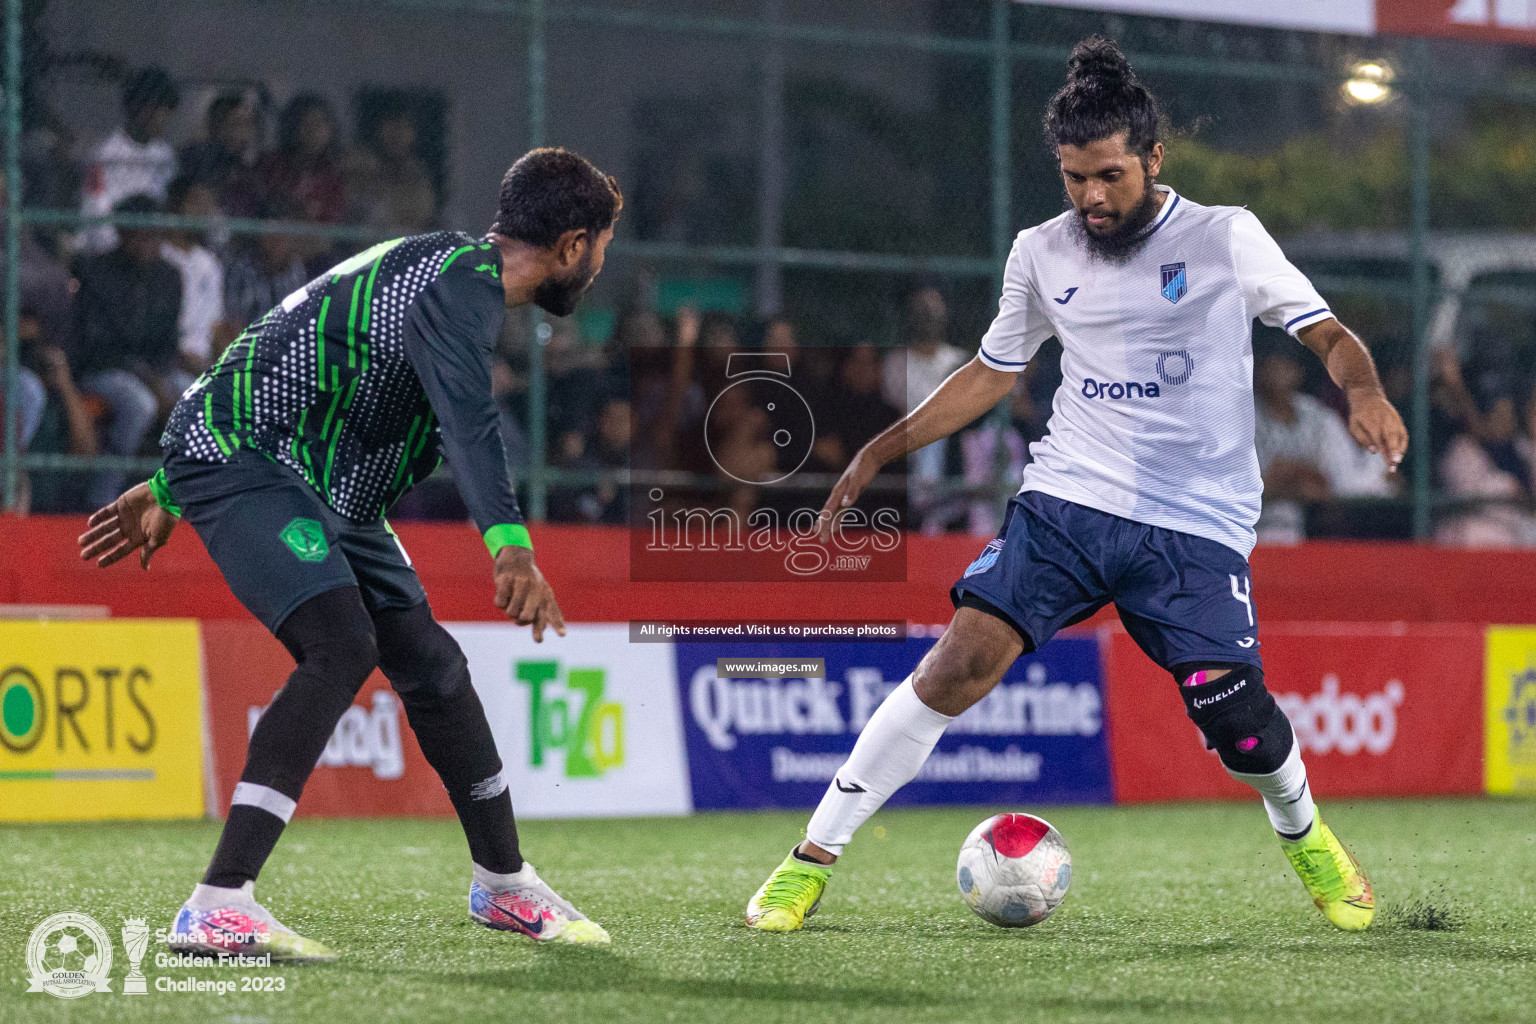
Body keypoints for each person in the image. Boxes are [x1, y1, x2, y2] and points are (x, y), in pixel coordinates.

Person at [745, 38, 1406, 936]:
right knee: (956, 665)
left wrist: (1362, 388)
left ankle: (1305, 832)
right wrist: (880, 450)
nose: (1092, 198)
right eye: (1073, 179)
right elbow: (990, 371)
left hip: (1195, 526)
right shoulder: (1040, 252)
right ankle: (809, 860)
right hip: (1069, 503)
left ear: (1154, 158)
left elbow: (1326, 333)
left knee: (1240, 726)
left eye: (1109, 176)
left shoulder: (1224, 236)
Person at [79, 147, 623, 956]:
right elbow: (467, 416)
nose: (603, 264)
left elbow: (294, 341)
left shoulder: (441, 268)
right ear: (573, 245)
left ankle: (505, 887)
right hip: (250, 457)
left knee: (434, 666)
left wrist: (165, 490)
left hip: (323, 483)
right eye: (604, 246)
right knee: (341, 643)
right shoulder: (460, 285)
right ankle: (218, 903)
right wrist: (510, 549)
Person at [72, 194, 183, 510]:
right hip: (102, 371)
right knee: (140, 405)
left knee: (196, 397)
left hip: (153, 372)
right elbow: (97, 346)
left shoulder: (169, 276)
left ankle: (182, 496)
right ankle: (103, 499)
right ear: (123, 234)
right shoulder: (97, 271)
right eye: (141, 234)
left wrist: (160, 376)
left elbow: (169, 342)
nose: (150, 242)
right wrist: (148, 377)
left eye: (155, 234)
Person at [1253, 343, 1394, 544]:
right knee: (1283, 514)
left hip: (1316, 522)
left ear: (1298, 371)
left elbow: (1340, 482)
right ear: (1258, 369)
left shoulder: (1316, 414)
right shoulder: (1247, 414)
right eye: (1272, 366)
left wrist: (1300, 476)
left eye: (1285, 366)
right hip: (1262, 523)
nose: (1278, 374)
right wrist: (1295, 483)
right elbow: (1257, 483)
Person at [881, 286, 967, 533]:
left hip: (952, 447)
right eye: (921, 310)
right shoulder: (896, 362)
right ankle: (926, 510)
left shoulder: (959, 360)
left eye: (934, 310)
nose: (928, 317)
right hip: (908, 446)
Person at [78, 67, 180, 254]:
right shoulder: (104, 153)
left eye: (164, 113)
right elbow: (95, 210)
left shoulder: (166, 156)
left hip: (154, 250)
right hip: (111, 249)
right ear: (137, 109)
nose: (160, 120)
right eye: (154, 111)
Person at [159, 176, 229, 378]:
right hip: (172, 361)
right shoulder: (161, 256)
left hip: (204, 363)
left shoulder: (209, 263)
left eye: (208, 204)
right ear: (177, 205)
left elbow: (215, 325)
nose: (203, 211)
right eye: (196, 202)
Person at [179, 91, 262, 217]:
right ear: (217, 125)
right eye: (236, 124)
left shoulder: (245, 171)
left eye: (247, 125)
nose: (243, 133)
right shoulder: (196, 158)